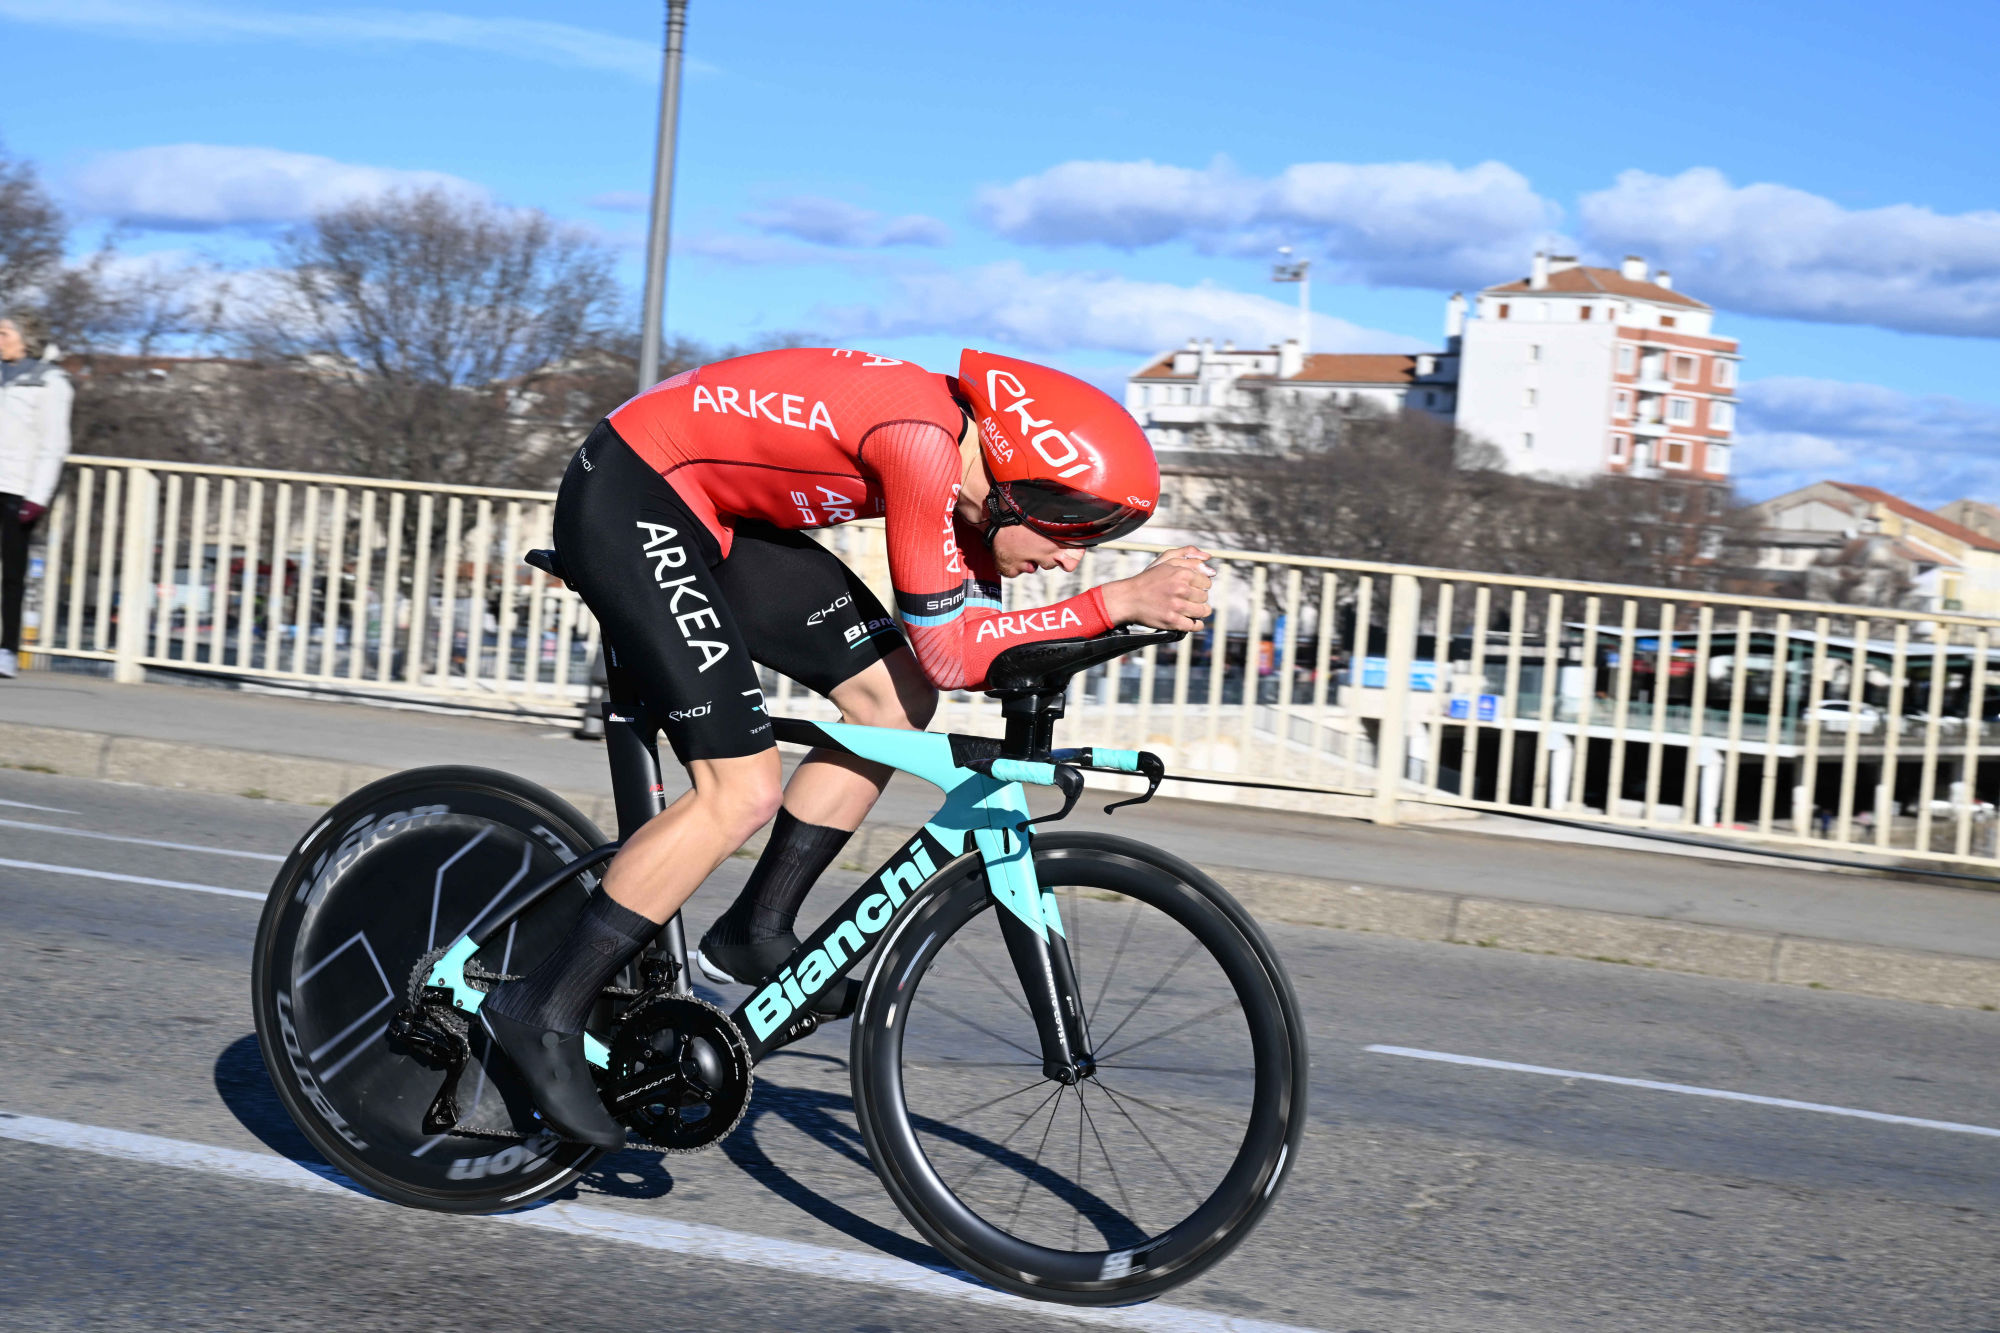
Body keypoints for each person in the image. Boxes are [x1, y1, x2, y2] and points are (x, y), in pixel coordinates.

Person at [479, 346, 1213, 1148]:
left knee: (895, 696)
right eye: (1069, 532)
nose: (1070, 559)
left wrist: (1118, 620)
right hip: (635, 493)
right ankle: (539, 1005)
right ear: (1014, 489)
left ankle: (755, 928)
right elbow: (954, 653)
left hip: (718, 513)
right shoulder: (921, 444)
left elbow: (978, 653)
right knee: (741, 788)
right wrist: (1115, 602)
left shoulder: (968, 484)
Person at [0, 314, 72, 680]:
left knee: (12, 575)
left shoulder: (51, 382)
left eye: (4, 333)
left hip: (18, 489)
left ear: (25, 338)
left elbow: (54, 445)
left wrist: (37, 497)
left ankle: (7, 650)